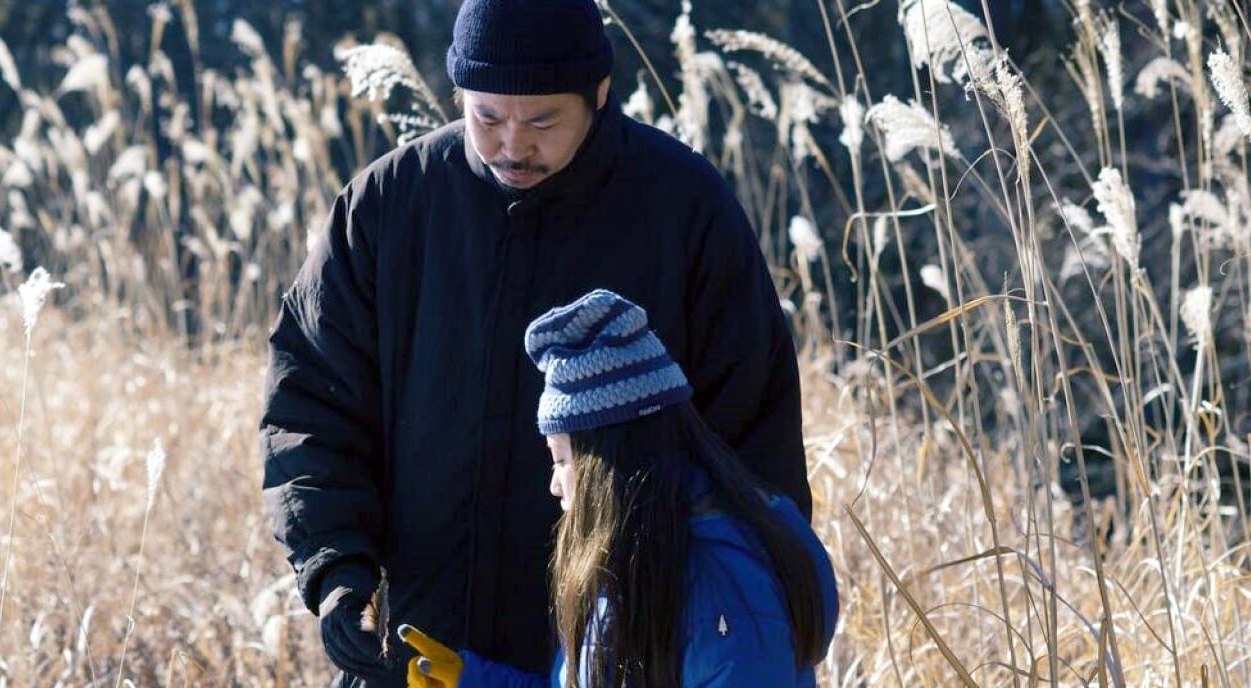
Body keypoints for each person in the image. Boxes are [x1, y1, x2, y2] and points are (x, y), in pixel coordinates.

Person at [259, 0, 813, 684]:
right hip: (420, 655)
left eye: (543, 121)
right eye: (486, 118)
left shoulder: (685, 209)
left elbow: (751, 451)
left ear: (600, 95)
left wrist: (732, 618)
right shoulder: (389, 205)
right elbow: (311, 404)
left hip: (619, 648)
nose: (513, 145)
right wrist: (336, 568)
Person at [395, 289, 838, 688]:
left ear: (607, 465)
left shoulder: (725, 592)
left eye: (562, 458)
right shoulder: (638, 565)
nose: (554, 483)